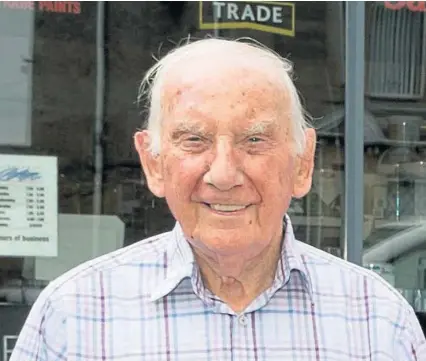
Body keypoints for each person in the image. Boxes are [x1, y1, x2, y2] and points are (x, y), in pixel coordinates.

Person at [10, 38, 426, 361]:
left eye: (255, 140)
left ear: (303, 162)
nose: (224, 174)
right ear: (153, 162)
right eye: (194, 140)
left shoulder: (378, 320)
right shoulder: (75, 313)